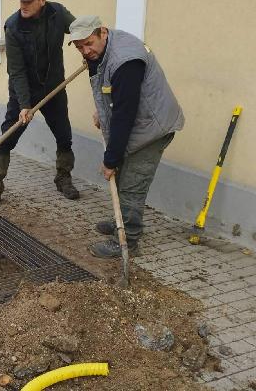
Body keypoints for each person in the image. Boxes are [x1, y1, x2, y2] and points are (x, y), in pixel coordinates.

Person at [69, 16, 184, 258]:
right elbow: (109, 89)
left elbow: (125, 114)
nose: (85, 51)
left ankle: (128, 240)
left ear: (102, 32)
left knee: (132, 181)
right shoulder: (103, 50)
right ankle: (120, 219)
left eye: (89, 43)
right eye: (80, 46)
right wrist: (101, 110)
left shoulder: (125, 61)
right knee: (123, 174)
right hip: (136, 119)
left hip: (152, 127)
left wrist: (110, 160)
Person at [0, 0, 78, 211]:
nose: (23, 5)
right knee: (8, 138)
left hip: (54, 88)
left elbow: (78, 29)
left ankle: (63, 177)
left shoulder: (57, 13)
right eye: (21, 1)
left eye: (28, 1)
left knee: (64, 135)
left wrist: (88, 47)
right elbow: (17, 70)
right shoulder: (13, 26)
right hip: (23, 91)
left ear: (42, 0)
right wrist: (25, 104)